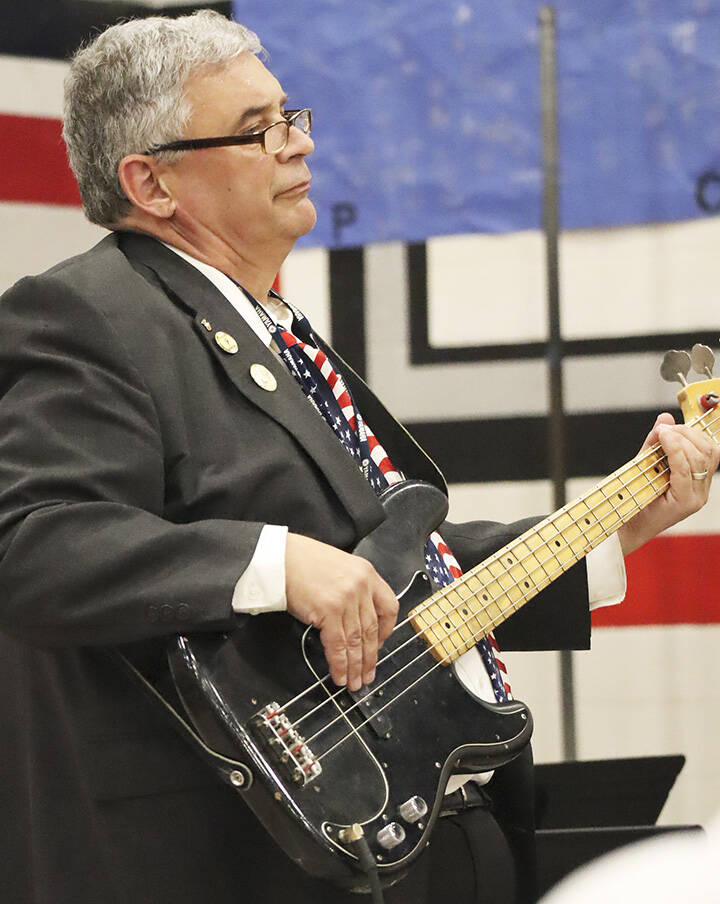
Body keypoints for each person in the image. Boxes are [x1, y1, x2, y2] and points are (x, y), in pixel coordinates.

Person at [0, 11, 716, 904]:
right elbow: (33, 545)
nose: (298, 145)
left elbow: (397, 579)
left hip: (397, 843)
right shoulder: (83, 314)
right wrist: (279, 562)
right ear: (151, 182)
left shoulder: (273, 327)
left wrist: (624, 520)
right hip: (220, 857)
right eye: (259, 130)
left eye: (292, 116)